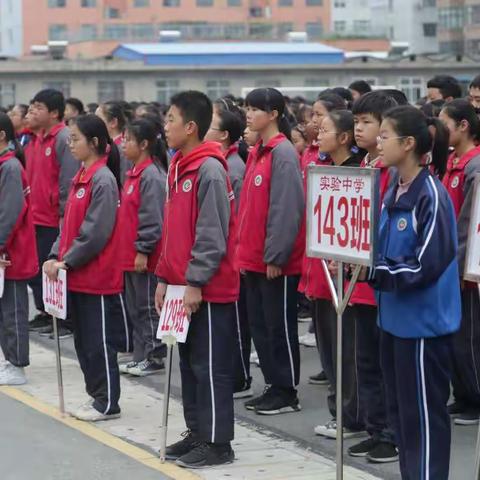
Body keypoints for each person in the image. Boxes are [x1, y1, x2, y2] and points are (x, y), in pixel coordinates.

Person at [370, 105, 460, 480]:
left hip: (423, 328)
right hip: (393, 322)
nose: (377, 141)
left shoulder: (431, 195)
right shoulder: (394, 190)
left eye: (384, 135)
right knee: (402, 417)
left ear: (408, 144)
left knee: (423, 418)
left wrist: (377, 272)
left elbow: (425, 265)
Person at [155, 91, 239, 468]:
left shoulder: (209, 169)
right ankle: (198, 431)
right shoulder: (178, 165)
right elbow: (172, 230)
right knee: (189, 365)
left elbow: (211, 233)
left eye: (171, 118)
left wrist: (195, 281)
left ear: (191, 127)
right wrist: (163, 276)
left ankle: (219, 442)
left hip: (207, 288)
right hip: (180, 285)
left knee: (210, 366)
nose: (165, 125)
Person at [44, 114, 126, 422]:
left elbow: (96, 232)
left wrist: (69, 260)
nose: (70, 144)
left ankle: (107, 401)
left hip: (97, 277)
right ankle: (96, 395)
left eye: (75, 139)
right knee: (84, 341)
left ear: (94, 142)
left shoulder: (102, 179)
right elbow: (67, 226)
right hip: (74, 276)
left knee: (99, 342)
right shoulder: (80, 176)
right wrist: (55, 254)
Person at [236, 87, 305, 415]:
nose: (248, 114)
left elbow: (286, 209)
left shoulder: (283, 153)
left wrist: (276, 255)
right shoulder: (257, 152)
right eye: (247, 108)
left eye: (255, 109)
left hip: (275, 261)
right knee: (261, 327)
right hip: (252, 257)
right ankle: (273, 385)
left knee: (279, 326)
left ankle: (287, 389)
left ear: (274, 114)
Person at [311, 110, 369, 442]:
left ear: (344, 137)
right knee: (332, 352)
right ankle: (341, 412)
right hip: (323, 275)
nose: (319, 133)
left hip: (347, 279)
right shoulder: (329, 173)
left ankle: (350, 415)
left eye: (326, 129)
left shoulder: (357, 176)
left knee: (346, 352)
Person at [205, 101, 252, 399]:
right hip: (227, 256)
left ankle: (240, 376)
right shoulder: (215, 164)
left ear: (223, 135)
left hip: (233, 257)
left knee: (236, 323)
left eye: (209, 125)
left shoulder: (232, 169)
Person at [439, 99, 480, 425]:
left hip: (465, 268)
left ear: (463, 125)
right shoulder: (451, 161)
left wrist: (464, 266)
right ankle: (463, 393)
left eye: (446, 122)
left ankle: (475, 398)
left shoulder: (473, 166)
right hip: (448, 263)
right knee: (454, 335)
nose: (440, 130)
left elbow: (469, 224)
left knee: (468, 338)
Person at [118, 118, 168, 377]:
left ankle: (154, 356)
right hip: (129, 254)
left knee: (148, 306)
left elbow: (152, 218)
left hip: (145, 256)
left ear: (145, 144)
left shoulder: (151, 175)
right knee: (135, 307)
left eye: (128, 139)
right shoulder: (133, 173)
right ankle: (140, 355)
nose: (123, 144)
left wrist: (143, 250)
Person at [27, 89, 78, 338]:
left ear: (54, 113)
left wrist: (63, 214)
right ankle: (48, 314)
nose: (32, 111)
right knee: (39, 270)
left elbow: (68, 180)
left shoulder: (62, 139)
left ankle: (64, 320)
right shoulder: (37, 139)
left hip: (53, 217)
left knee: (55, 270)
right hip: (36, 216)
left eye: (39, 107)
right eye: (32, 106)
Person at [0, 113, 38, 385]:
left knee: (13, 309)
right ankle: (9, 359)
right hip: (4, 249)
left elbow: (9, 213)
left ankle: (17, 364)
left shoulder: (10, 168)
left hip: (11, 252)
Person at [96, 101, 129, 183]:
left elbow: (123, 181)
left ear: (113, 122)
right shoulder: (105, 146)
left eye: (98, 119)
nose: (94, 123)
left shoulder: (123, 148)